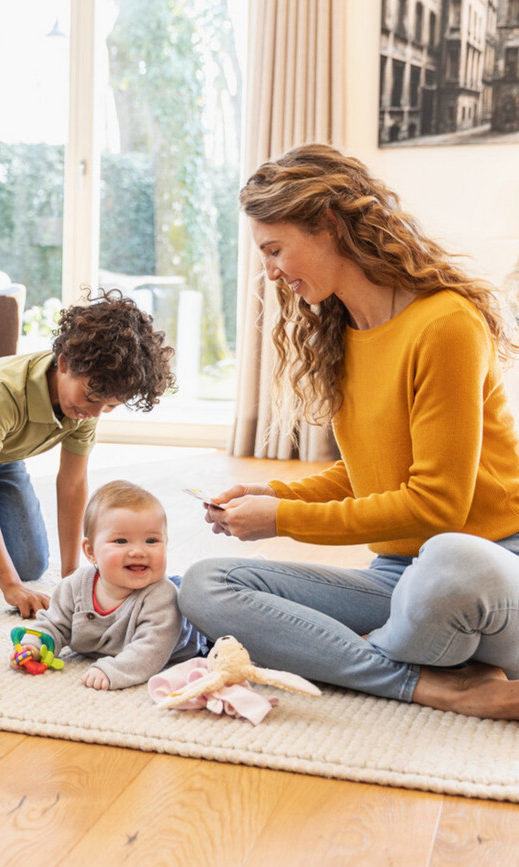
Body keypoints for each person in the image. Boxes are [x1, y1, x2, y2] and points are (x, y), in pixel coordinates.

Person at [178, 143, 519, 720]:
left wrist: (282, 520)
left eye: (275, 249)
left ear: (329, 226)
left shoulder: (445, 324)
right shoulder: (344, 331)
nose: (271, 271)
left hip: (486, 568)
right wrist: (273, 496)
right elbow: (368, 472)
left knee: (451, 560)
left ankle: (362, 655)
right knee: (204, 584)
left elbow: (437, 505)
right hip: (396, 581)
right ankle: (430, 681)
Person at [0, 291, 175, 618]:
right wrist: (11, 586)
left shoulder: (85, 408)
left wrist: (72, 576)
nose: (97, 412)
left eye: (111, 405)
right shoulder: (1, 392)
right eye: (93, 397)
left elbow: (72, 485)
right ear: (64, 364)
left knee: (31, 563)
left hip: (0, 456)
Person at [10, 480, 203, 689]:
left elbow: (150, 650)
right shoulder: (74, 586)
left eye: (151, 541)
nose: (138, 551)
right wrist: (34, 645)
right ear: (91, 551)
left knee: (194, 593)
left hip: (193, 636)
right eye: (121, 541)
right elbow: (54, 623)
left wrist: (113, 670)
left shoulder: (163, 596)